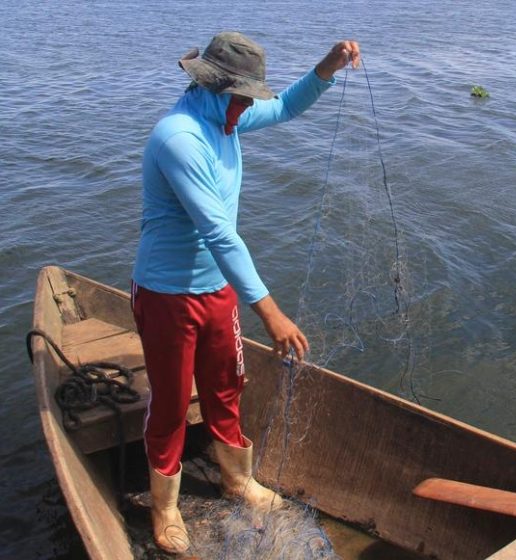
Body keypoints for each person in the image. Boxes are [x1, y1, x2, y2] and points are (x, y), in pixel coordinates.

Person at [130, 31, 360, 554]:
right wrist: (271, 312)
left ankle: (237, 480)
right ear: (211, 87)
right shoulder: (180, 137)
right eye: (240, 98)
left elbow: (282, 107)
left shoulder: (225, 116)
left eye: (246, 99)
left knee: (227, 385)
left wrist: (327, 64)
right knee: (169, 403)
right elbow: (218, 232)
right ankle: (164, 507)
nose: (246, 108)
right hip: (168, 294)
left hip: (217, 290)